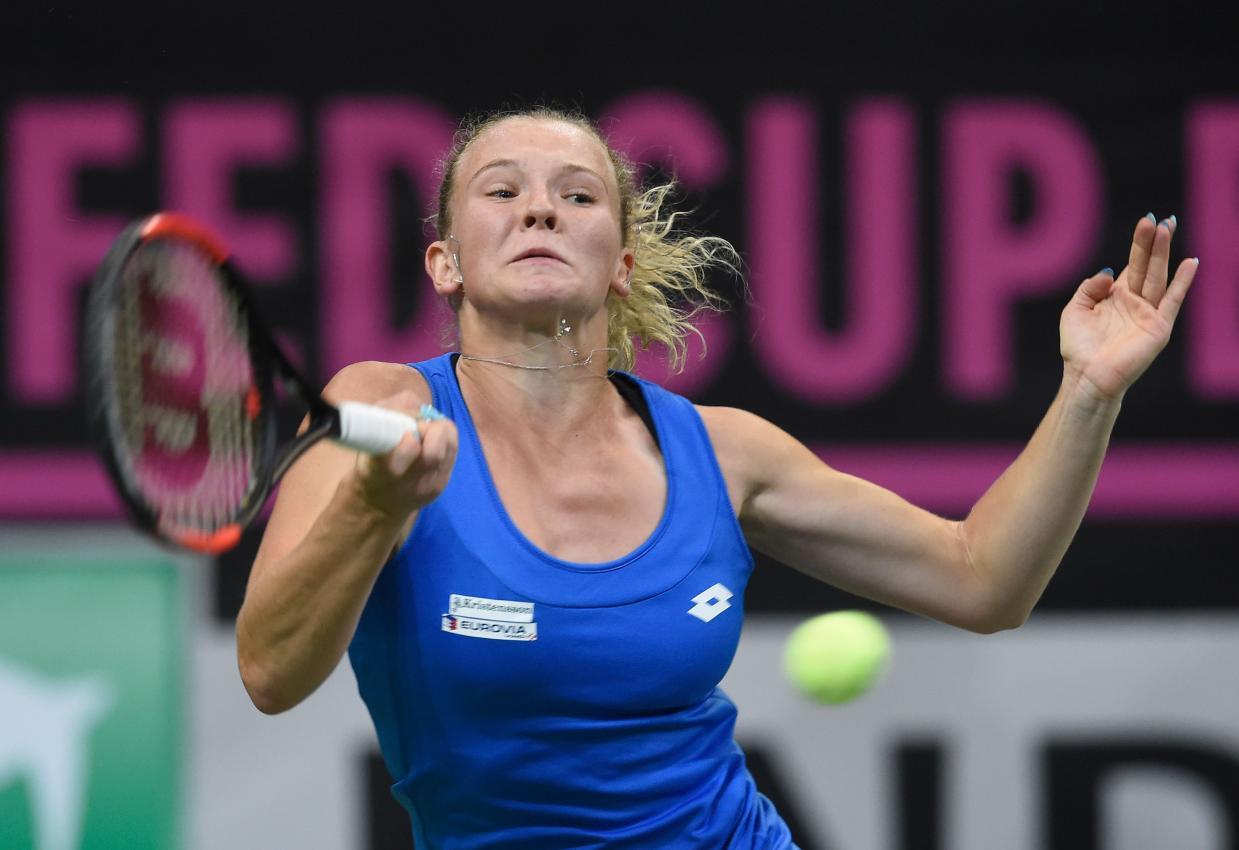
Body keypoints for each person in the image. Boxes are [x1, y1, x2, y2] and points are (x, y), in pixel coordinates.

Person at [235, 107, 1198, 849]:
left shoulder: (722, 451)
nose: (539, 207)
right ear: (444, 264)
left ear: (617, 263)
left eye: (577, 195)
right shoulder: (379, 407)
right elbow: (272, 672)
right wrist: (373, 507)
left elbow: (983, 577)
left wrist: (1087, 389)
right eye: (501, 190)